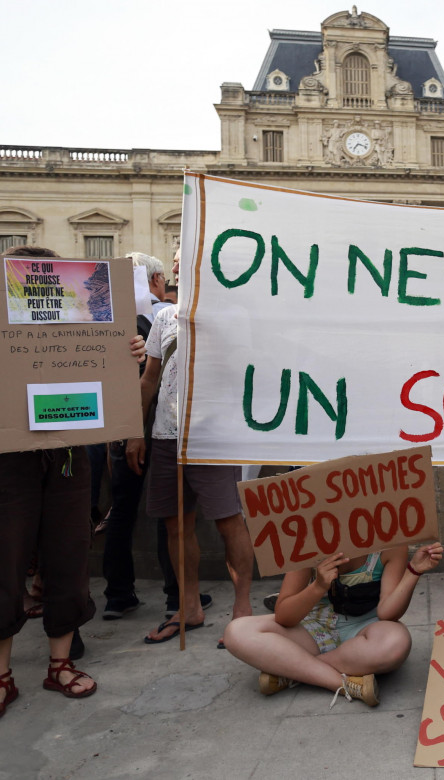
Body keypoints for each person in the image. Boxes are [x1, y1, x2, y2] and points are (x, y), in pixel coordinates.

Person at [0, 246, 146, 727]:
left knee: (69, 559)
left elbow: (112, 388)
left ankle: (60, 663)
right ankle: (0, 678)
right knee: (0, 565)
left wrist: (128, 357)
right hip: (1, 461)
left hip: (67, 456)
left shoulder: (87, 321)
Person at [127, 251, 254, 645]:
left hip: (215, 437)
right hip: (167, 438)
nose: (179, 265)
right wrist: (135, 430)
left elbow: (250, 371)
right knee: (175, 525)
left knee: (229, 521)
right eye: (177, 257)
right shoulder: (165, 317)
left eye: (189, 255)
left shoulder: (237, 314)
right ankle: (188, 608)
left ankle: (243, 611)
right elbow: (149, 378)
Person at [223, 542, 443, 705]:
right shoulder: (306, 542)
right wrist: (318, 586)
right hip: (316, 626)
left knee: (396, 643)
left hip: (367, 629)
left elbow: (387, 613)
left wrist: (413, 571)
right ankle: (342, 683)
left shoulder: (390, 543)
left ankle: (290, 671)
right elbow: (284, 616)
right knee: (237, 631)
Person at [100, 251, 173, 620]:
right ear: (156, 281)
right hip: (154, 425)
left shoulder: (103, 320)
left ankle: (117, 594)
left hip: (119, 424)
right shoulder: (162, 317)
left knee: (122, 510)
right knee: (167, 510)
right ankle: (176, 594)